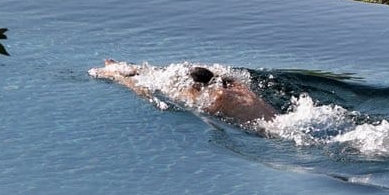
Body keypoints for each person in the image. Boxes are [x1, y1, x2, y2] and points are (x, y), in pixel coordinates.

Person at [91, 59, 279, 125]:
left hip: (270, 131)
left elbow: (144, 91)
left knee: (146, 84)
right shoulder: (235, 85)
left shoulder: (217, 99)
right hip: (281, 118)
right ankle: (120, 69)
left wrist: (119, 77)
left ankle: (118, 71)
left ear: (197, 88)